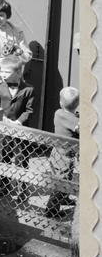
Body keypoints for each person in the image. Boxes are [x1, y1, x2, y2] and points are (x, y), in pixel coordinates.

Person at [0, 54, 35, 200]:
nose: (2, 74)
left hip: (21, 131)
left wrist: (19, 122)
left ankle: (22, 190)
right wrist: (1, 118)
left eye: (6, 72)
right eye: (1, 71)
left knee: (22, 160)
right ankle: (4, 186)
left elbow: (30, 110)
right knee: (5, 157)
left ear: (18, 73)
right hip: (4, 130)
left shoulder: (29, 90)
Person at [44, 87, 79, 218]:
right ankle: (51, 210)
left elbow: (69, 118)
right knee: (61, 181)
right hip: (65, 155)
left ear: (61, 103)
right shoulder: (75, 121)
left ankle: (63, 198)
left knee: (66, 177)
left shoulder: (58, 113)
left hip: (56, 151)